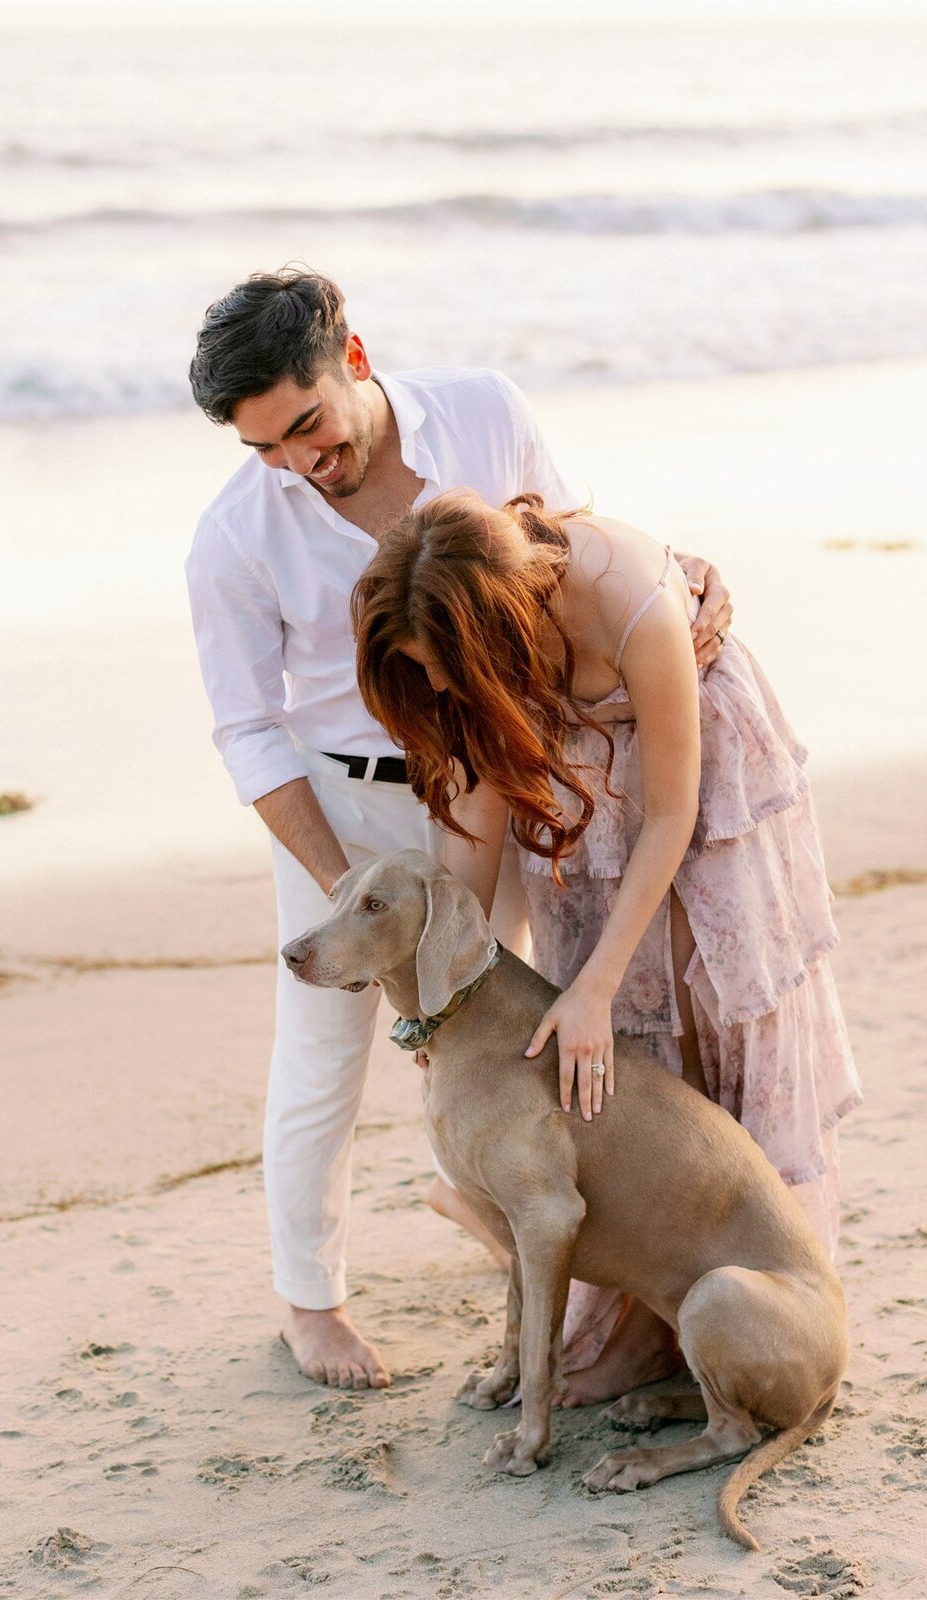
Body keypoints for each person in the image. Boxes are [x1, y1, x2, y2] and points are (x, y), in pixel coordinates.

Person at [185, 267, 732, 1391]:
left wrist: (676, 581)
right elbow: (249, 732)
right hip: (348, 807)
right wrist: (359, 895)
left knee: (510, 1019)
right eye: (266, 449)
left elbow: (564, 545)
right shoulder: (234, 538)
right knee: (326, 1047)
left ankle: (538, 1245)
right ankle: (312, 1300)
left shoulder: (485, 408)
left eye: (307, 426)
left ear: (356, 360)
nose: (298, 462)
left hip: (498, 765)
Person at [353, 489, 863, 1405]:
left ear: (494, 630)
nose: (432, 687)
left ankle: (761, 1317)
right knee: (627, 1055)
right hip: (590, 787)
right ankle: (644, 1331)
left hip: (697, 786)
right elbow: (466, 851)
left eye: (439, 667)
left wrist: (589, 988)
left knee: (703, 1019)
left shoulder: (626, 597)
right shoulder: (472, 655)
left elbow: (671, 815)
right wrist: (438, 1017)